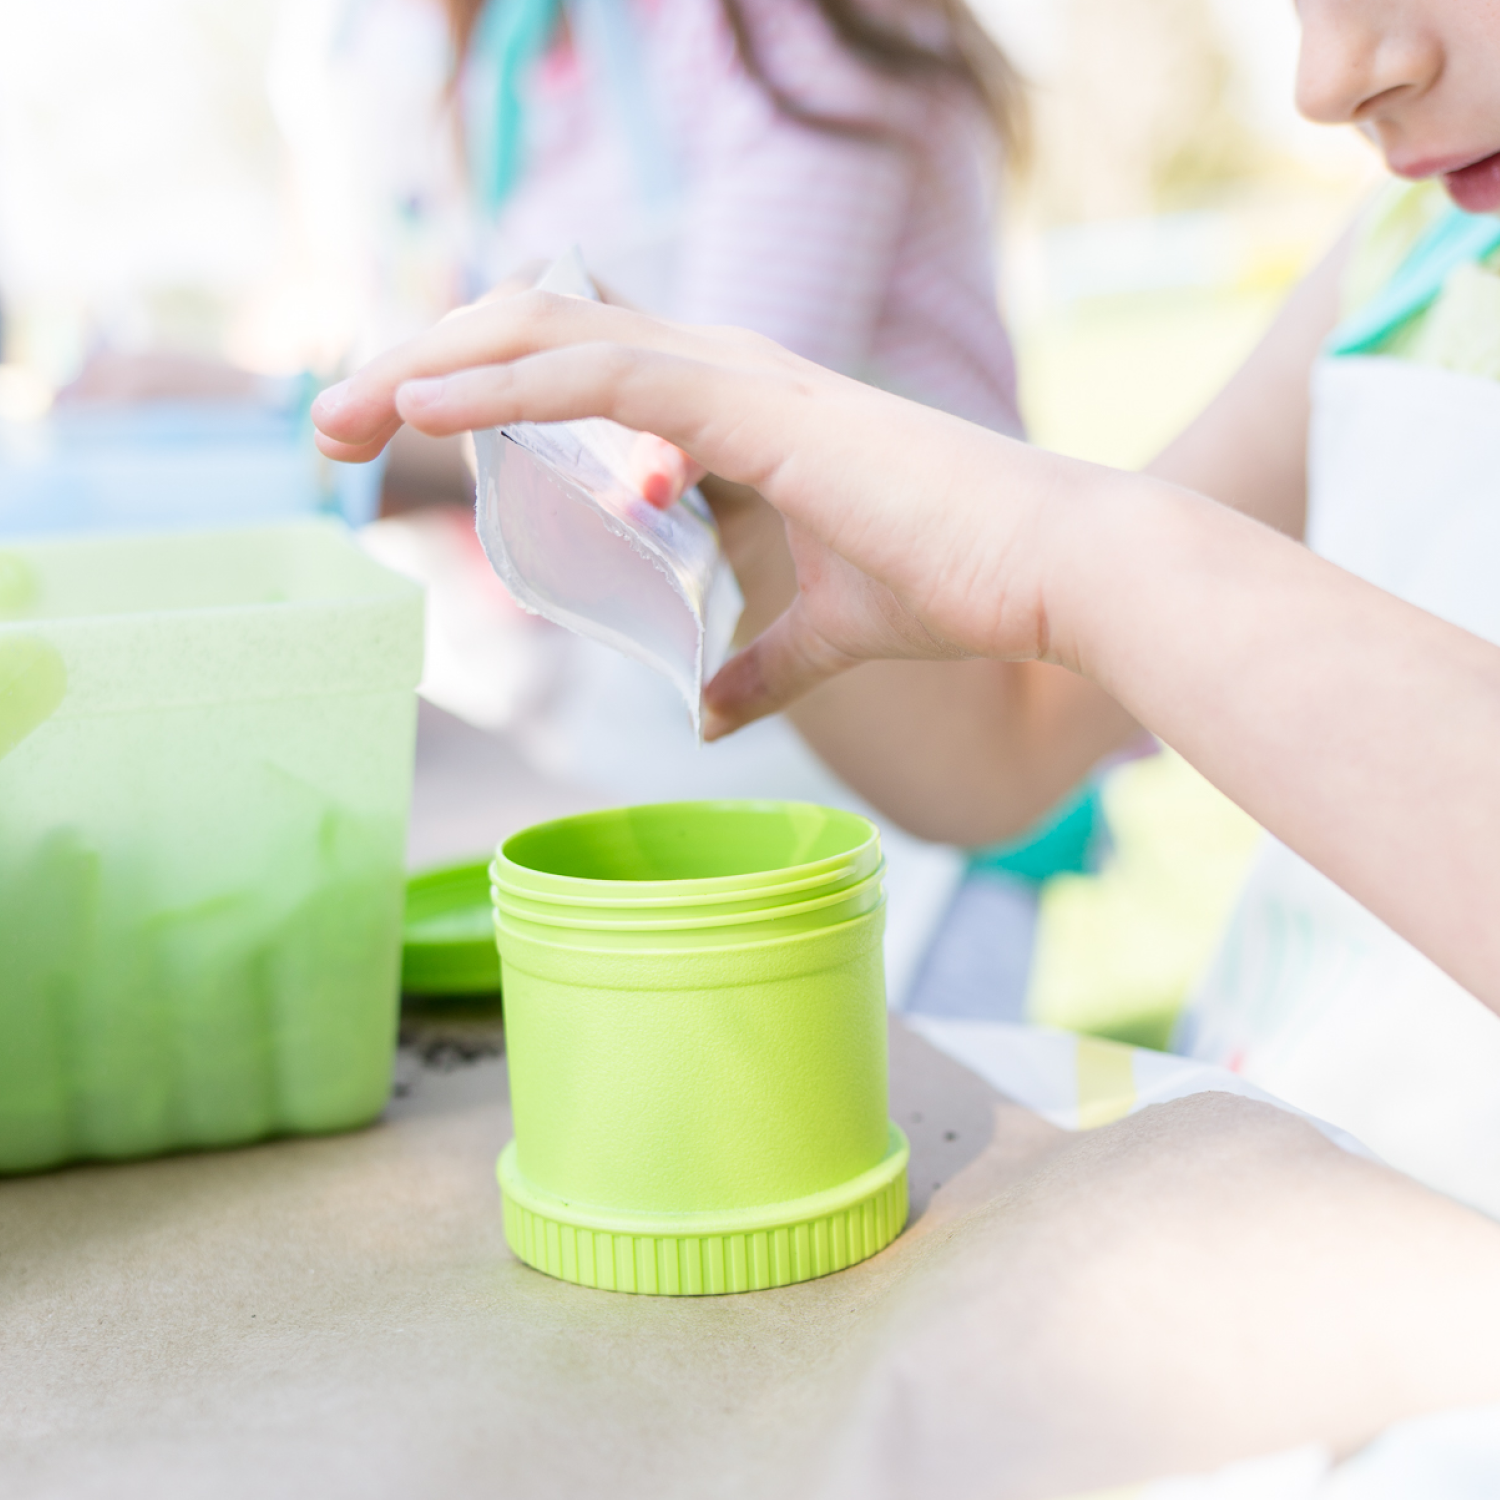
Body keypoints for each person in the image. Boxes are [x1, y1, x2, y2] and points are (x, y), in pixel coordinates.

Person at [312, 0, 1500, 1219]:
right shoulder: (1408, 253)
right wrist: (745, 499)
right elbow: (1007, 749)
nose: (1330, 75)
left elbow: (1087, 587)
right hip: (1303, 1200)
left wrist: (1082, 554)